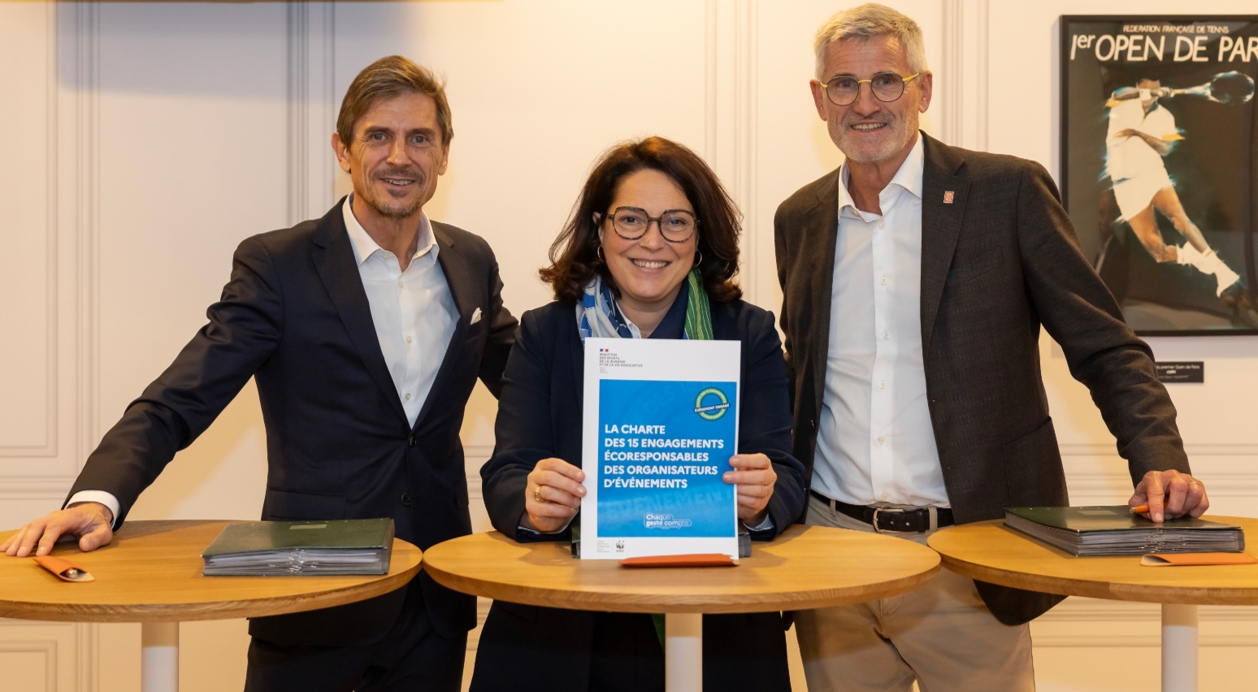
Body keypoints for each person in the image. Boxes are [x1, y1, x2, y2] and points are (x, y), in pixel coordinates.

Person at [0, 55, 517, 692]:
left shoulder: (472, 261)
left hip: (432, 603)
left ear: (443, 154)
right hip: (310, 598)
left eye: (420, 138)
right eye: (378, 136)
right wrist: (97, 497)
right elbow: (179, 398)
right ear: (343, 149)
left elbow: (528, 379)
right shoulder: (280, 264)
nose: (399, 156)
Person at [774, 5, 1210, 691]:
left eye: (886, 80)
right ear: (817, 98)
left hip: (965, 559)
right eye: (843, 86)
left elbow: (1105, 345)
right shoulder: (799, 219)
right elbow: (797, 376)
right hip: (833, 556)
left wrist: (1159, 460)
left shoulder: (1005, 193)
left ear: (924, 89)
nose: (865, 104)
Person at [472, 136, 805, 692]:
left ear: (700, 237)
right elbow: (506, 473)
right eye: (631, 219)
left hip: (716, 629)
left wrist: (763, 497)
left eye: (676, 221)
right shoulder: (546, 333)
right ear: (599, 230)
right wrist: (532, 500)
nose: (652, 240)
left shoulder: (747, 333)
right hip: (567, 630)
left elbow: (785, 472)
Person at [1105, 78, 1256, 326]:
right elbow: (1118, 92)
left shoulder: (1165, 116)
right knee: (1158, 252)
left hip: (1152, 173)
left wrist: (1139, 133)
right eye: (1145, 85)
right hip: (1125, 184)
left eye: (1154, 85)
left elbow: (1165, 148)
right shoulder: (1122, 103)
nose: (1149, 87)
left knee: (1180, 220)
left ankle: (1222, 271)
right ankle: (1198, 259)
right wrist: (1143, 95)